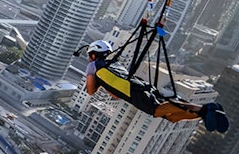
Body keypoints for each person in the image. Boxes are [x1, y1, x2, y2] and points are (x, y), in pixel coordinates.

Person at [84, 40, 228, 133]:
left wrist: (95, 82)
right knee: (173, 118)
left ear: (95, 55)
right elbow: (115, 94)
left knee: (157, 110)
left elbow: (90, 91)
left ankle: (205, 108)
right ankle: (204, 114)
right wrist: (103, 84)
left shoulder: (93, 66)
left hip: (133, 91)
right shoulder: (113, 65)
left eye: (90, 55)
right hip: (138, 88)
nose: (89, 59)